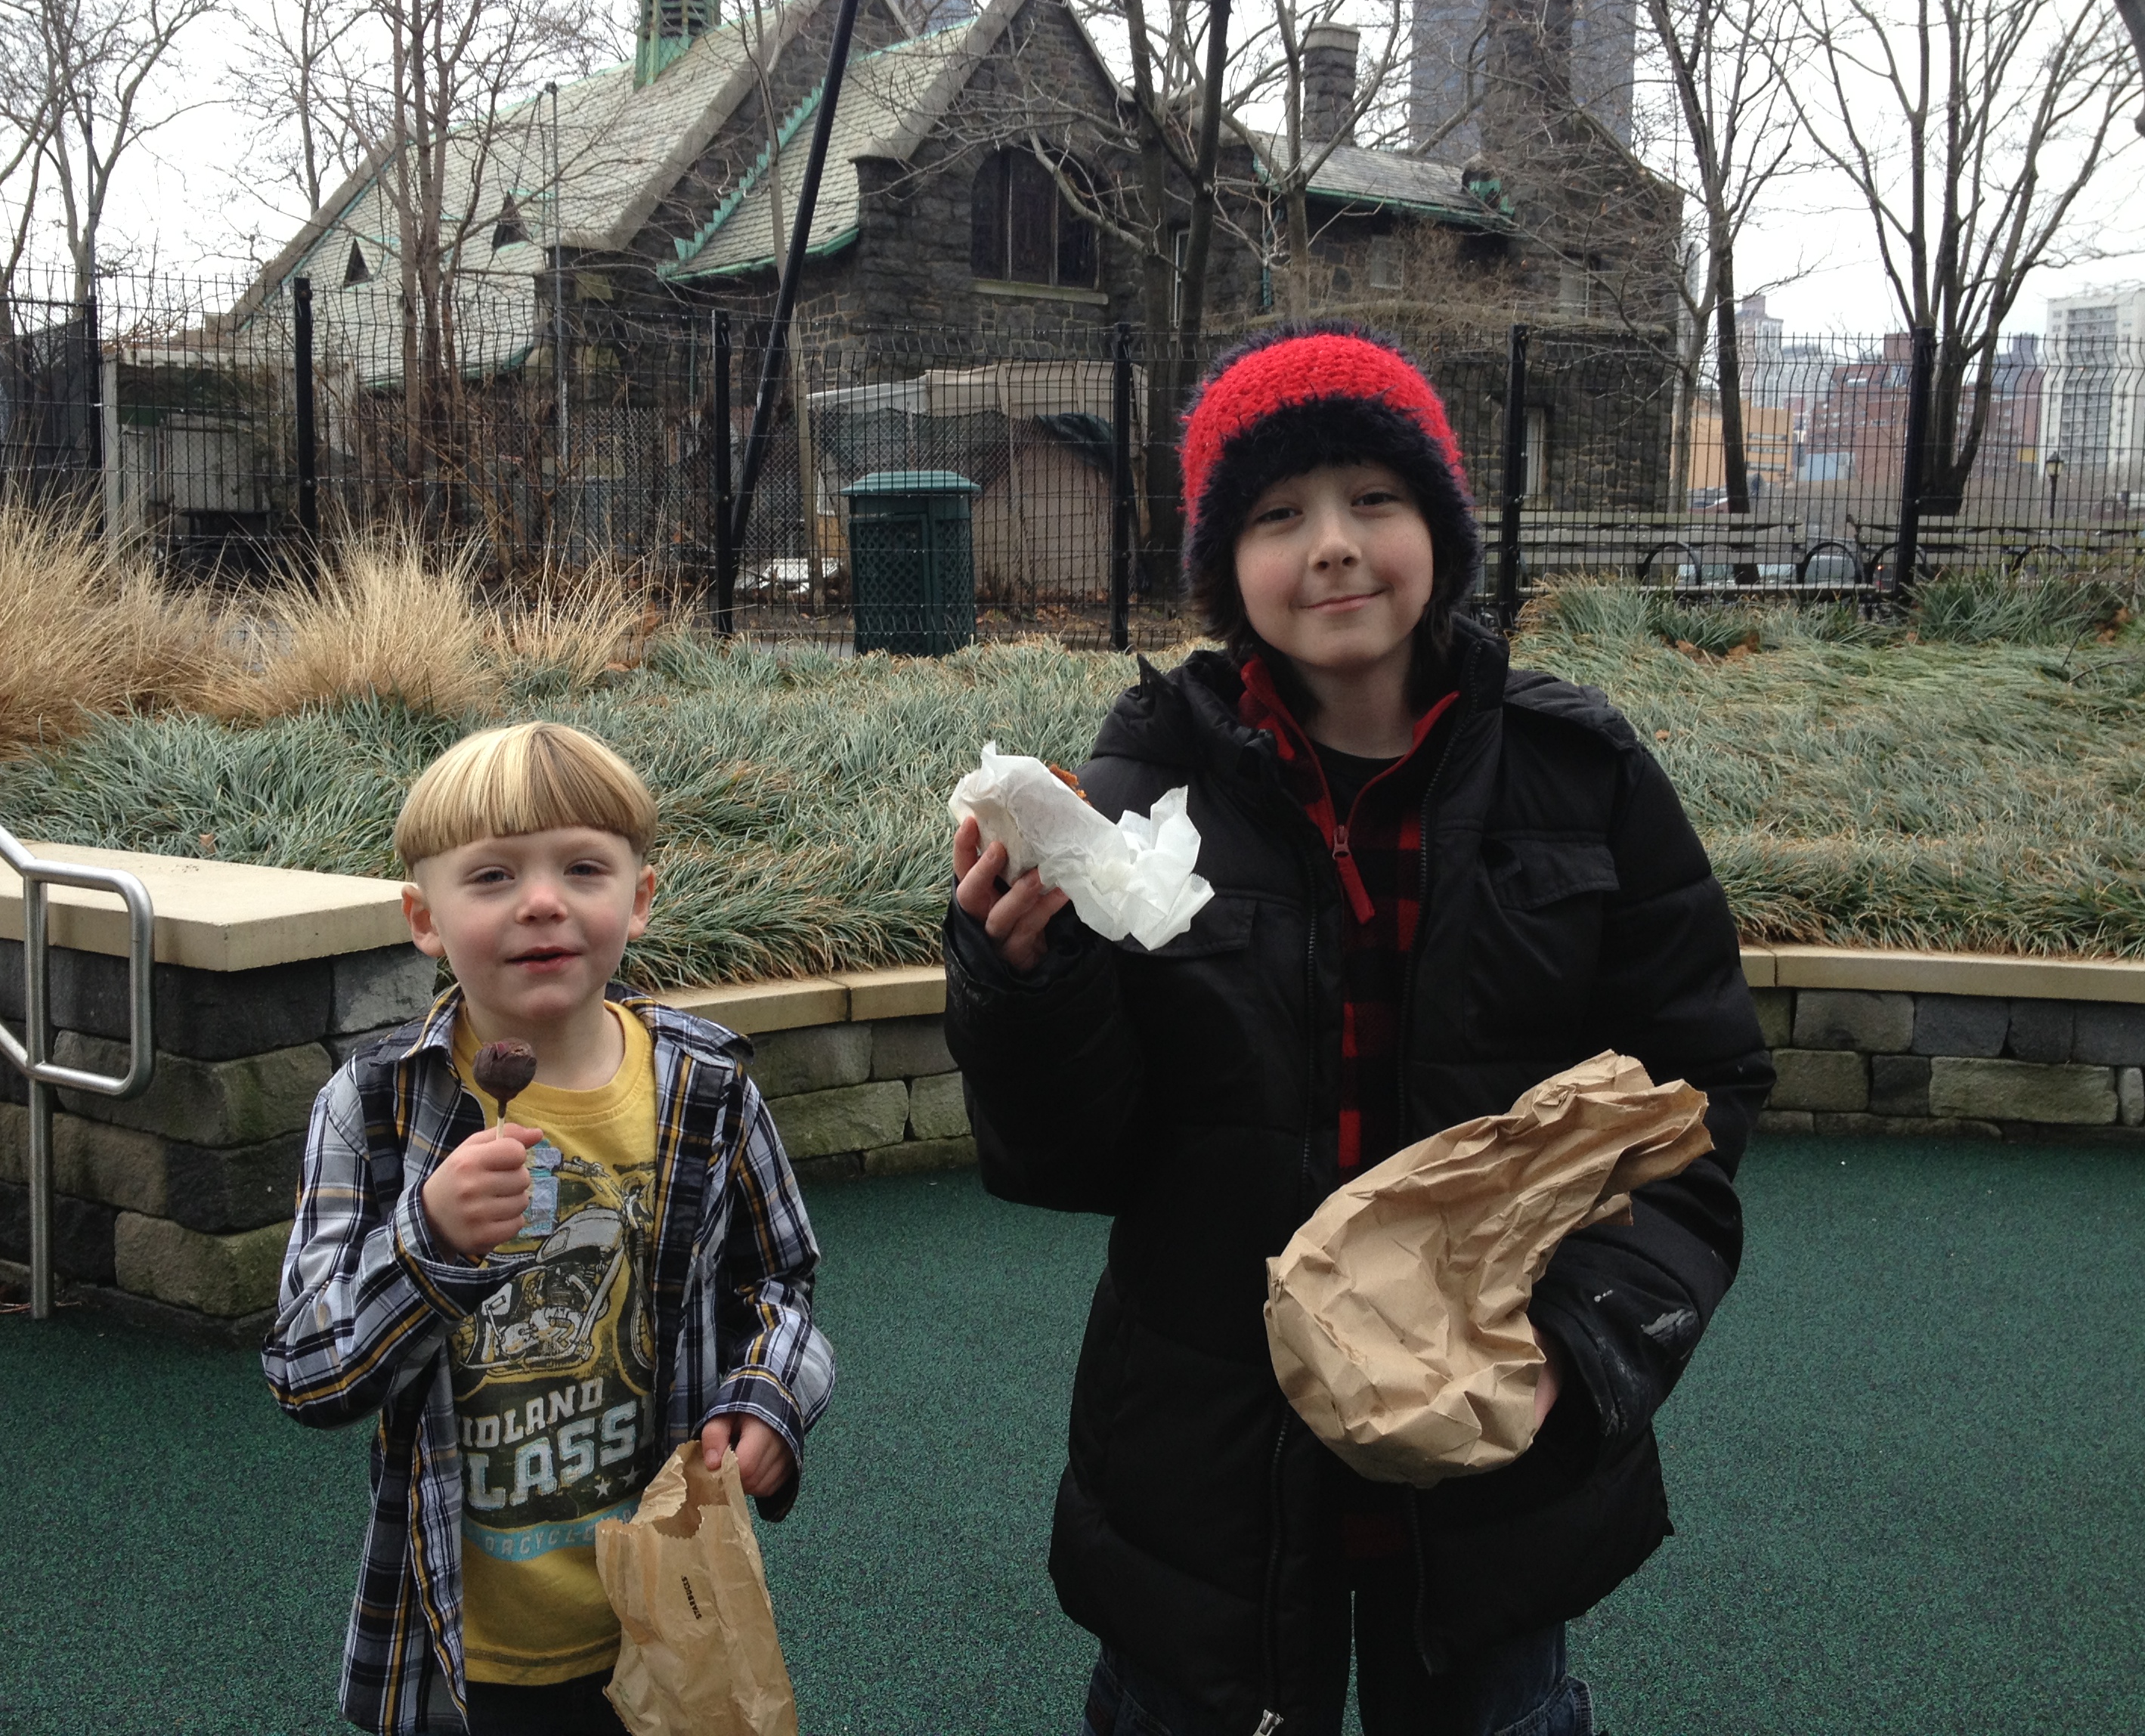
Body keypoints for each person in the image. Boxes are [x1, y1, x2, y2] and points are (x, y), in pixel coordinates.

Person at [946, 325, 1772, 1736]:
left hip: (1490, 1442)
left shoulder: (1580, 775)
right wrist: (1024, 988)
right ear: (1227, 567)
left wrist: (1583, 1349)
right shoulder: (1148, 787)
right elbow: (1071, 1156)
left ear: (1438, 527)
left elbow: (1694, 1098)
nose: (1333, 545)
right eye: (1279, 515)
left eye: (1375, 500)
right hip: (1209, 1453)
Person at [265, 721, 834, 1736]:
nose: (541, 901)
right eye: (489, 877)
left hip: (659, 1621)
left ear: (640, 899)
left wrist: (770, 1399)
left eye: (582, 867)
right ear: (423, 919)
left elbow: (780, 1285)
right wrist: (430, 1242)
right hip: (459, 1644)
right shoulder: (375, 1108)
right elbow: (308, 1372)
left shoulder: (706, 1094)